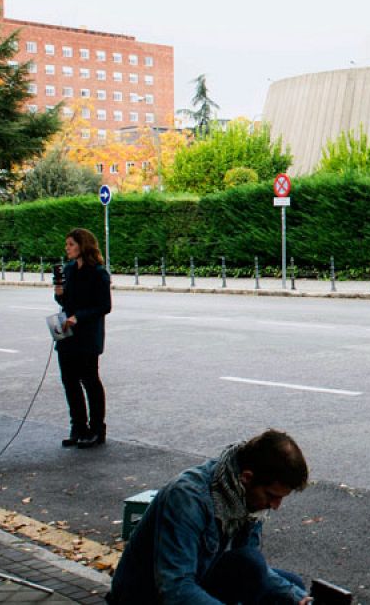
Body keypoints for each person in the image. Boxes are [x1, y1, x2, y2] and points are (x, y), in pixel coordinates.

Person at [109, 430, 313, 605]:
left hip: (199, 576)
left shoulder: (244, 495)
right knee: (252, 566)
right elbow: (175, 588)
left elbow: (249, 564)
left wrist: (298, 598)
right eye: (271, 496)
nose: (275, 506)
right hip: (145, 596)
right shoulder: (187, 498)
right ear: (247, 478)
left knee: (291, 587)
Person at [53, 227, 110, 448]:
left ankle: (97, 429)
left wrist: (79, 317)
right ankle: (78, 426)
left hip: (86, 335)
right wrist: (59, 293)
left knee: (90, 381)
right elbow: (65, 302)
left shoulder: (98, 273)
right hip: (67, 333)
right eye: (66, 245)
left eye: (71, 245)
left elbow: (104, 306)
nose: (67, 249)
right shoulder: (68, 270)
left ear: (82, 246)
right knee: (69, 381)